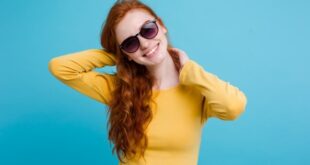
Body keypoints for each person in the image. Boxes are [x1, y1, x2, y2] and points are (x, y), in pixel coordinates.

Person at [48, 0, 247, 164]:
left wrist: (190, 71)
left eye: (148, 30)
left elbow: (233, 107)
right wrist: (118, 55)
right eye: (130, 42)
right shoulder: (121, 89)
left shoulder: (196, 88)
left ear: (161, 25)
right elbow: (60, 68)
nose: (144, 43)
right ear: (125, 53)